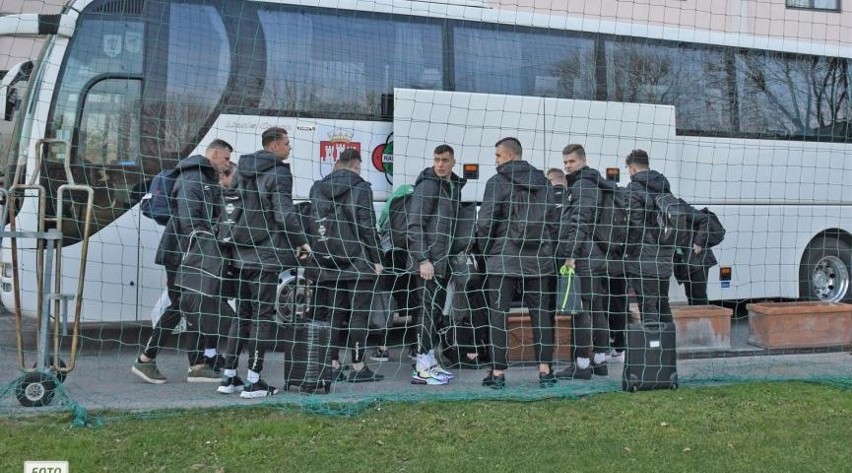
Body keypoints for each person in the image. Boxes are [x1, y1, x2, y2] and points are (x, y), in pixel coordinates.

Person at [131, 139, 233, 384]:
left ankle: (197, 365)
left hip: (190, 252)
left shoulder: (202, 178)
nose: (227, 163)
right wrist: (205, 244)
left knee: (191, 305)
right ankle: (146, 359)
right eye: (226, 158)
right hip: (184, 254)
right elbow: (190, 220)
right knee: (181, 305)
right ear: (215, 153)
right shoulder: (193, 178)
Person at [227, 127, 311, 398]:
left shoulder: (243, 169)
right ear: (274, 145)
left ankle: (230, 377)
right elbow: (284, 215)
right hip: (266, 255)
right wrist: (301, 241)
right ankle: (254, 380)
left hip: (240, 253)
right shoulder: (279, 172)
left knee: (242, 315)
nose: (289, 148)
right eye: (287, 143)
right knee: (262, 317)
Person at [476, 137, 558, 389]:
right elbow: (553, 221)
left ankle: (498, 373)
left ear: (510, 155)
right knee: (541, 314)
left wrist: (486, 251)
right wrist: (547, 249)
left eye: (498, 156)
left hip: (503, 259)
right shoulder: (544, 183)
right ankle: (545, 371)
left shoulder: (497, 182)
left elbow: (486, 222)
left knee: (498, 315)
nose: (496, 161)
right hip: (538, 259)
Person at [309, 147, 385, 383]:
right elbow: (367, 226)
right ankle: (358, 365)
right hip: (358, 260)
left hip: (328, 259)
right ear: (356, 164)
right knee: (358, 316)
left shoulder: (318, 187)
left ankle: (332, 364)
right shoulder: (361, 187)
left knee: (333, 313)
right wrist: (376, 258)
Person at [408, 144, 466, 385]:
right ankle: (421, 365)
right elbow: (415, 225)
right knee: (426, 311)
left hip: (442, 263)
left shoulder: (452, 188)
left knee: (435, 312)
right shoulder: (428, 185)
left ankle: (430, 358)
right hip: (429, 263)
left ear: (453, 162)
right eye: (437, 160)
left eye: (445, 160)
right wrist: (423, 259)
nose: (440, 164)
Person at [554, 144, 612, 380]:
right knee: (596, 307)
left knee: (580, 310)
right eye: (565, 162)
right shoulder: (590, 182)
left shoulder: (583, 185)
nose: (567, 166)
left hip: (584, 256)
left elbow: (580, 222)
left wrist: (571, 255)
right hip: (594, 254)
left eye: (572, 162)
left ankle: (582, 364)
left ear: (583, 161)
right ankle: (600, 361)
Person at [624, 149, 675, 323]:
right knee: (663, 303)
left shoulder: (634, 188)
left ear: (631, 168)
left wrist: (628, 251)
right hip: (665, 255)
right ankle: (668, 346)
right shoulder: (664, 187)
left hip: (643, 258)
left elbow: (634, 226)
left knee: (648, 305)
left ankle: (652, 348)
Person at [673, 215, 717, 306]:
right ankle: (696, 319)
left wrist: (698, 241)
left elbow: (705, 219)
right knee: (690, 294)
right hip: (685, 261)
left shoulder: (682, 208)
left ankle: (703, 319)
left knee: (698, 295)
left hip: (697, 259)